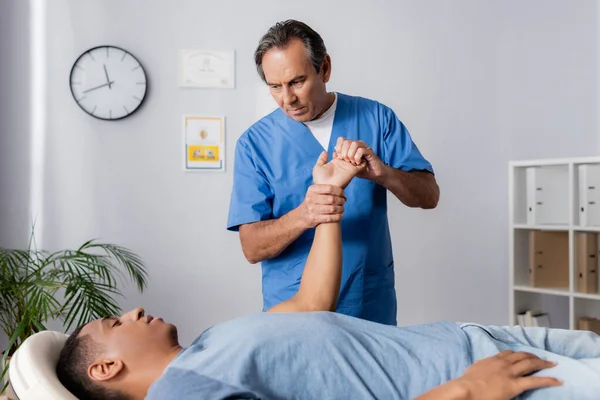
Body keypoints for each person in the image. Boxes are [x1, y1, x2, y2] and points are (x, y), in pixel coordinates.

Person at [56, 153, 600, 400]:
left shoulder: (209, 347)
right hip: (488, 379)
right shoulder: (185, 393)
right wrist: (467, 391)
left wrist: (329, 194)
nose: (131, 310)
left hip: (476, 340)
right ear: (106, 367)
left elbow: (314, 301)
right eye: (113, 321)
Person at [226, 19, 440, 325]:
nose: (287, 99)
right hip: (294, 310)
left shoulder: (377, 119)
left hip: (368, 303)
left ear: (324, 68)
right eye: (275, 87)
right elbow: (251, 247)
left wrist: (383, 173)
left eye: (297, 81)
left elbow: (429, 196)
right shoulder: (254, 144)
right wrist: (307, 214)